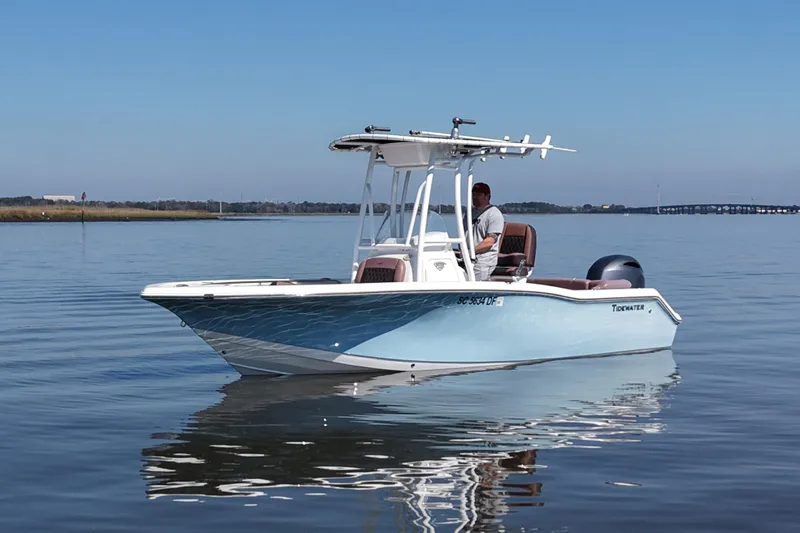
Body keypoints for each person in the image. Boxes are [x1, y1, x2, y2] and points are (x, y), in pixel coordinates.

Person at [464, 182, 504, 280]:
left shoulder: (494, 214)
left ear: (487, 196)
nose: (474, 197)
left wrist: (470, 252)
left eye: (478, 195)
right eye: (473, 194)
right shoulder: (469, 213)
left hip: (482, 261)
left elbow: (490, 241)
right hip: (466, 259)